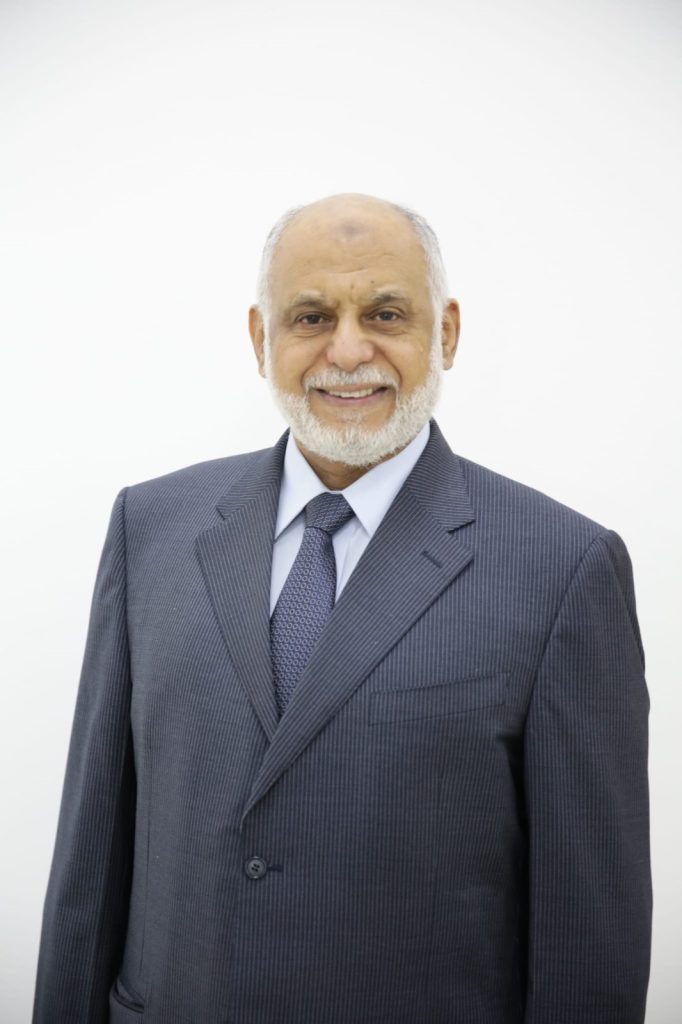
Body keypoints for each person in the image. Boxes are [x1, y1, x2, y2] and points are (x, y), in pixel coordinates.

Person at [33, 193, 652, 1023]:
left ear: (447, 333)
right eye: (312, 317)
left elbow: (589, 939)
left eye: (386, 314)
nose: (349, 350)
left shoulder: (563, 569)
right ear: (261, 338)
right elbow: (90, 864)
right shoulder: (149, 530)